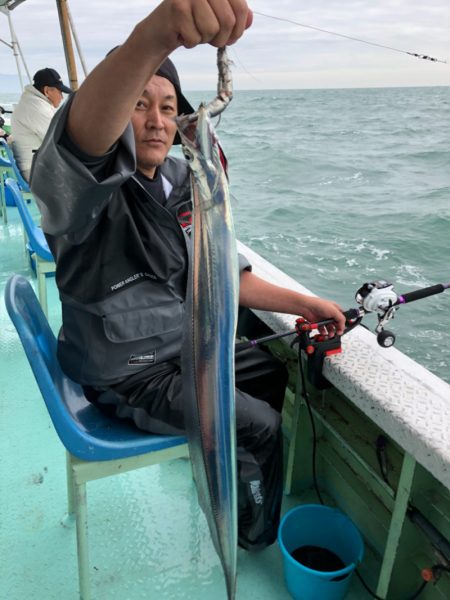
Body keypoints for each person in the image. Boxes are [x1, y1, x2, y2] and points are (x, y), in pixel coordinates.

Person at [31, 0, 346, 552]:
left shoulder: (184, 179)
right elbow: (82, 142)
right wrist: (156, 34)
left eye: (168, 106)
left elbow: (222, 275)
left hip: (183, 345)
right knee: (261, 427)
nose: (156, 119)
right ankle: (250, 536)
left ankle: (217, 461)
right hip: (123, 373)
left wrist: (305, 303)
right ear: (114, 110)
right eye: (137, 103)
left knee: (270, 376)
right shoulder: (85, 194)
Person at [10, 67, 71, 180]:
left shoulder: (31, 101)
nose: (62, 97)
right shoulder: (37, 108)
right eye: (60, 91)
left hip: (34, 165)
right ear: (47, 91)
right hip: (34, 171)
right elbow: (59, 142)